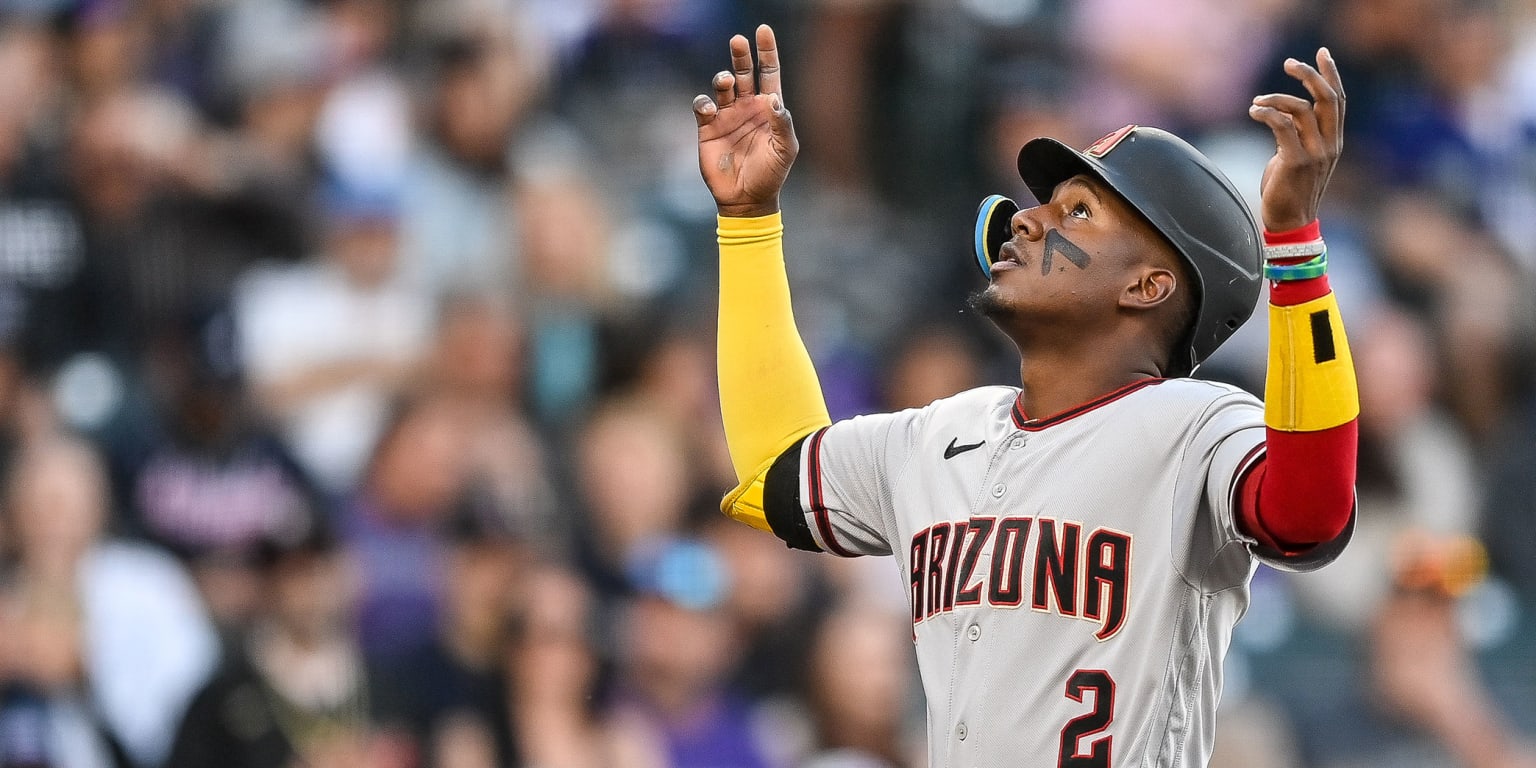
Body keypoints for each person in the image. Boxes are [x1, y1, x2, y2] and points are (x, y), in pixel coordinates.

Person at [694, 25, 1357, 767]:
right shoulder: (941, 433)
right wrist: (748, 226)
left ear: (1148, 285)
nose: (1027, 218)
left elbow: (1310, 513)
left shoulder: (1197, 426)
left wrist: (1295, 243)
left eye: (1078, 212)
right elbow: (775, 470)